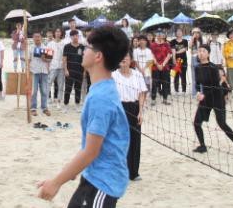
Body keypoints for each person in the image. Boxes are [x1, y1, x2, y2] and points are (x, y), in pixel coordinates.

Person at [37, 26, 130, 207]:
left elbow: (91, 151)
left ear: (98, 56)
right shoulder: (101, 88)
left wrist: (56, 182)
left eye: (87, 47)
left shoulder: (101, 98)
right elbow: (91, 148)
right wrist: (71, 171)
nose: (83, 50)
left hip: (103, 183)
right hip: (94, 175)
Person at [193, 45, 233, 158]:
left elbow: (215, 85)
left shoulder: (213, 67)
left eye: (203, 51)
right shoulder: (197, 67)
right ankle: (202, 146)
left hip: (217, 97)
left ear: (208, 54)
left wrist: (203, 95)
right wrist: (198, 93)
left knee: (222, 124)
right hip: (206, 98)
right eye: (199, 51)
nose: (201, 53)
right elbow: (197, 83)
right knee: (197, 122)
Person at [113, 52, 147, 181]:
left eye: (126, 56)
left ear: (131, 59)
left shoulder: (137, 75)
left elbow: (142, 94)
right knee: (119, 141)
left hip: (134, 108)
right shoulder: (113, 75)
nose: (123, 58)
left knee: (135, 140)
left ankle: (134, 172)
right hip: (119, 108)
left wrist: (140, 112)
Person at [30, 32, 51, 117]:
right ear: (33, 38)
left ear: (41, 38)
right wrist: (27, 71)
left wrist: (44, 58)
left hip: (44, 71)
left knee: (44, 91)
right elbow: (28, 60)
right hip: (34, 71)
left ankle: (44, 108)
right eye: (35, 37)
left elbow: (49, 60)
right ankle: (33, 108)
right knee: (34, 91)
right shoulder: (30, 48)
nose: (37, 38)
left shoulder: (46, 47)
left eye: (38, 37)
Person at [64, 30, 86, 112]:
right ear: (70, 37)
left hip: (79, 71)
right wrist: (65, 70)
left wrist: (84, 71)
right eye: (73, 36)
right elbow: (64, 59)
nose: (75, 37)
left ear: (78, 36)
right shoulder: (67, 46)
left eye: (76, 35)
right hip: (69, 71)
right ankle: (66, 105)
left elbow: (84, 60)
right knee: (68, 89)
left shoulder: (82, 47)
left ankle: (77, 105)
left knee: (78, 89)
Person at [149, 31, 172, 105]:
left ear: (163, 35)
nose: (159, 35)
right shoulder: (152, 45)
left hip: (165, 67)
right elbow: (151, 55)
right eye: (158, 33)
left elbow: (169, 55)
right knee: (154, 83)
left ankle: (165, 99)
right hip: (155, 67)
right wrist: (157, 64)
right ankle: (153, 99)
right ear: (156, 35)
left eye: (161, 34)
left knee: (165, 83)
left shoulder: (167, 44)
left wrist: (163, 64)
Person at [47, 28, 66, 109]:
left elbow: (65, 56)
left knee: (60, 85)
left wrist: (65, 67)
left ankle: (58, 101)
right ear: (54, 33)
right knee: (48, 83)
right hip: (52, 66)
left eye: (59, 31)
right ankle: (47, 99)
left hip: (61, 67)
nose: (58, 33)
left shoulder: (64, 44)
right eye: (56, 31)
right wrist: (47, 66)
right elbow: (48, 56)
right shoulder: (50, 44)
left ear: (61, 33)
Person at [169, 28, 188, 94]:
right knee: (176, 75)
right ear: (175, 33)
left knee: (183, 75)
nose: (179, 33)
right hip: (175, 60)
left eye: (180, 31)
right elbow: (172, 50)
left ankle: (184, 90)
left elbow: (185, 49)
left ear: (182, 33)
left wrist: (176, 52)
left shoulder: (185, 41)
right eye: (177, 31)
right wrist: (174, 59)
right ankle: (176, 90)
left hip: (184, 60)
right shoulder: (172, 41)